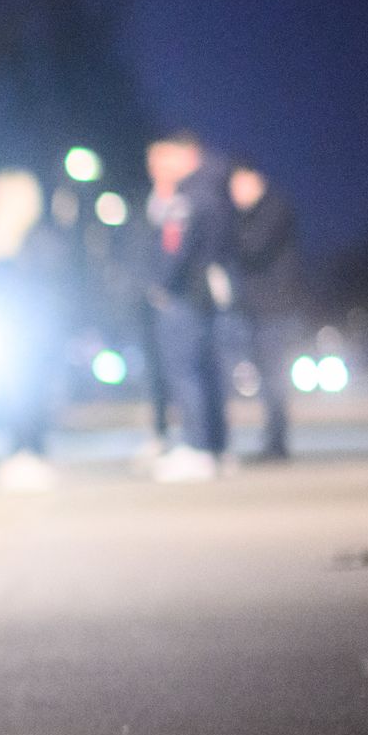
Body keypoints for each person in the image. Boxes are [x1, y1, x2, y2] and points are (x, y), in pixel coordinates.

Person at [143, 131, 233, 483]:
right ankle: (213, 446)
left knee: (184, 371)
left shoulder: (188, 196)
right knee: (203, 371)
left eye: (164, 158)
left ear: (186, 155)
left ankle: (195, 448)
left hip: (185, 294)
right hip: (203, 293)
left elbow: (175, 247)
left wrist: (161, 285)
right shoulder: (215, 189)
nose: (157, 167)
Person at [0, 169, 66, 493]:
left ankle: (28, 452)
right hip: (15, 333)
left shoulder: (34, 240)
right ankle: (22, 452)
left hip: (27, 332)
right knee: (18, 393)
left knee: (27, 393)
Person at [229, 162, 300, 459]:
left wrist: (229, 229)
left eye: (240, 185)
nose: (235, 193)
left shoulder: (274, 208)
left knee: (274, 376)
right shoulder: (251, 214)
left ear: (256, 180)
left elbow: (253, 247)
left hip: (275, 308)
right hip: (256, 308)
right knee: (265, 376)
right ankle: (272, 439)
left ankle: (277, 442)